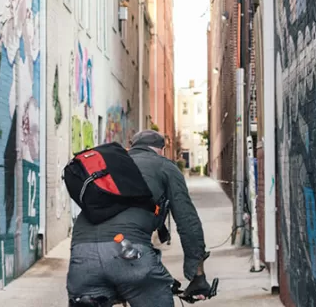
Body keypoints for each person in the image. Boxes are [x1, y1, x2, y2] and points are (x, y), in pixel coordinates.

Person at [68, 130, 211, 307]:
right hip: (128, 253)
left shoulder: (109, 165)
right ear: (162, 150)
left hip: (82, 255)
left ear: (132, 146)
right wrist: (197, 276)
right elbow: (188, 222)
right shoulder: (164, 166)